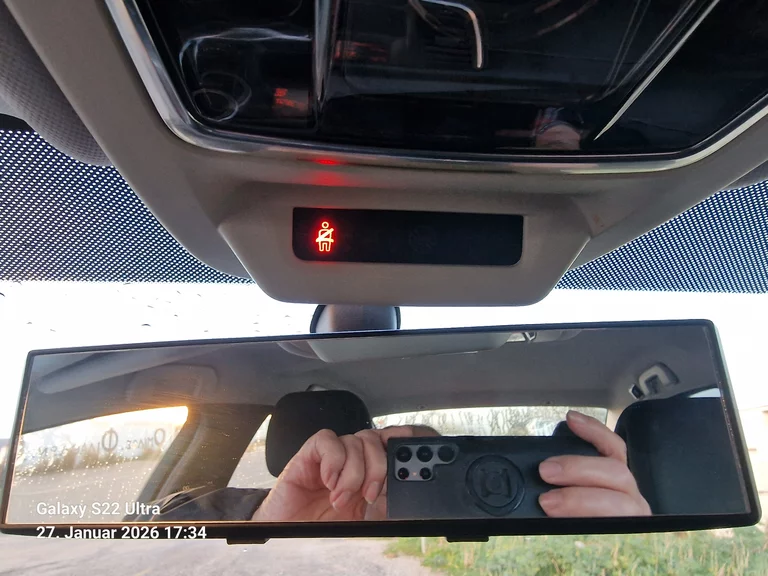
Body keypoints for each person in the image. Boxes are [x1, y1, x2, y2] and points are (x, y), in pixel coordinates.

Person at [148, 410, 650, 521]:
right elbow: (135, 542)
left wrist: (631, 546)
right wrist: (268, 535)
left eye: (441, 480)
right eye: (401, 475)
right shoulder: (204, 516)